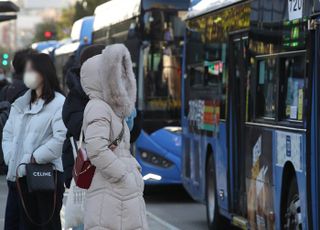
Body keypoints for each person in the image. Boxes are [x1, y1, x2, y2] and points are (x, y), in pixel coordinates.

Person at [80, 44, 148, 229]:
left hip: (117, 195)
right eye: (115, 75)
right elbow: (96, 149)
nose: (120, 80)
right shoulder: (98, 107)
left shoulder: (109, 108)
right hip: (110, 192)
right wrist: (123, 174)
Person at [2, 53, 66, 230]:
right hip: (19, 176)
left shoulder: (59, 103)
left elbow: (61, 138)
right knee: (18, 224)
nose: (27, 75)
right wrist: (11, 157)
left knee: (46, 224)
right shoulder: (21, 103)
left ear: (43, 73)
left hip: (45, 177)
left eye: (31, 70)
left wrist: (35, 157)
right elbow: (8, 134)